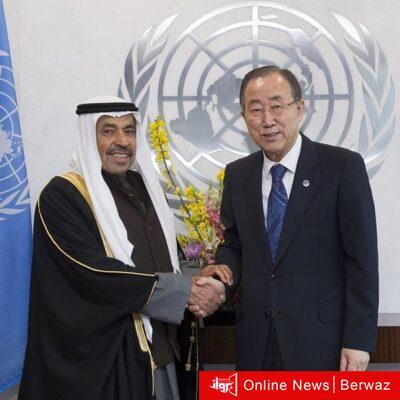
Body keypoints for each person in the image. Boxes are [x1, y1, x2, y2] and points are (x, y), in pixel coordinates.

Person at [18, 96, 232, 400]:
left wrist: (198, 276)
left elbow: (167, 258)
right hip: (106, 362)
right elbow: (94, 274)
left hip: (162, 350)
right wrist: (185, 291)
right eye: (108, 130)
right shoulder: (63, 196)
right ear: (88, 136)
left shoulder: (144, 188)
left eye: (129, 130)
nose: (121, 141)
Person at [215, 66, 379, 371]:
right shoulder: (238, 175)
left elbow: (362, 261)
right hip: (256, 343)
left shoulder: (342, 167)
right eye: (256, 110)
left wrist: (358, 340)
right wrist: (218, 280)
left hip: (323, 344)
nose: (267, 120)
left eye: (277, 106)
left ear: (299, 109)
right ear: (244, 117)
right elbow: (234, 245)